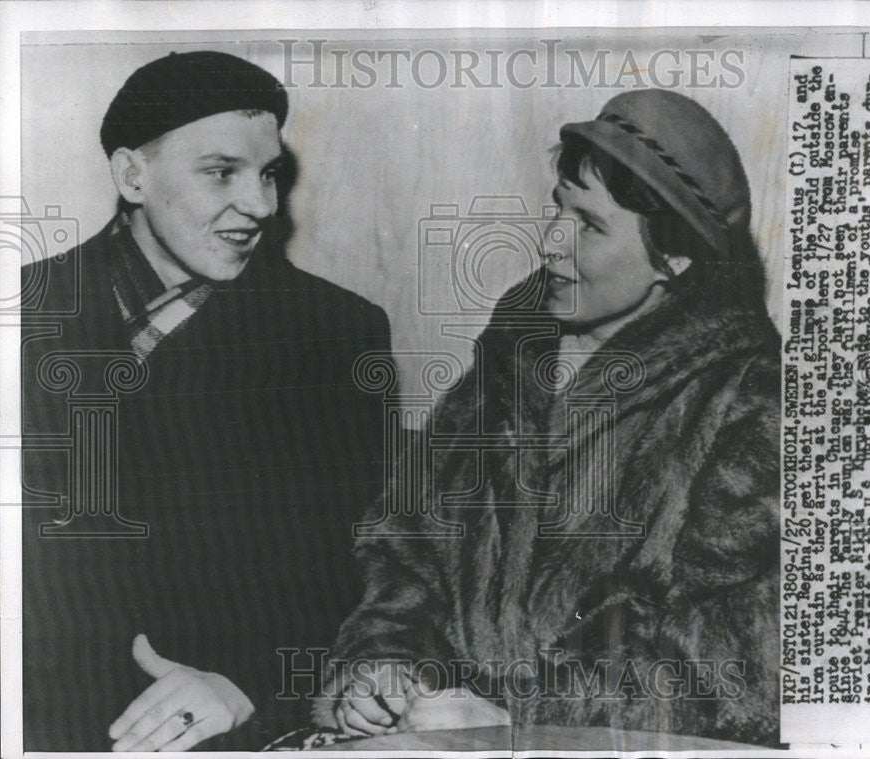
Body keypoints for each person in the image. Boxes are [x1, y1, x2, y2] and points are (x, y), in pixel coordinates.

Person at [310, 90, 780, 747]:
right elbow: (406, 554)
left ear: (673, 258)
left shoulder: (746, 402)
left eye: (589, 224)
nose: (552, 242)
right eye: (559, 208)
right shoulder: (505, 366)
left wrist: (525, 725)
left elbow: (731, 671)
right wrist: (383, 668)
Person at [21, 51, 391, 751]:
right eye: (221, 171)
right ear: (133, 174)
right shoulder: (21, 315)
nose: (259, 205)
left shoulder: (336, 334)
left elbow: (360, 573)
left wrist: (248, 684)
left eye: (269, 174)